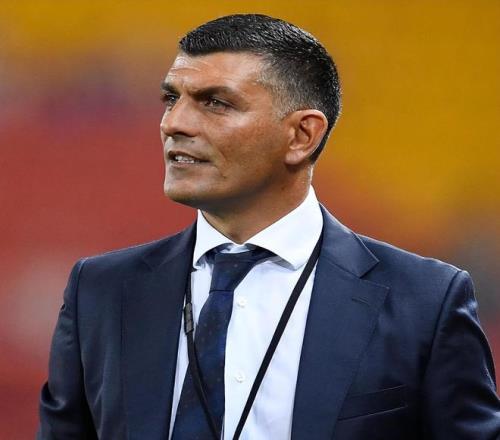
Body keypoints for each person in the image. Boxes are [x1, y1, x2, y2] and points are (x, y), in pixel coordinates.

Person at [37, 14, 499, 440]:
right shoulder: (99, 291)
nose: (174, 123)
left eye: (215, 103)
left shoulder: (425, 300)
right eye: (171, 99)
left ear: (302, 135)